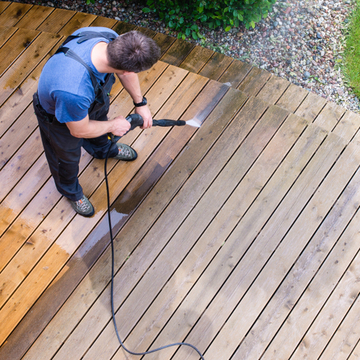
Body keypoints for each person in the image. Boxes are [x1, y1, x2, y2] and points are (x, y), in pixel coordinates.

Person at [33, 27, 161, 217]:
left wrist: (140, 103)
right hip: (59, 118)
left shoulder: (110, 38)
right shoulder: (73, 90)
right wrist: (113, 126)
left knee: (101, 127)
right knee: (66, 159)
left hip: (92, 101)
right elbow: (79, 130)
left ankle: (104, 150)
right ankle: (71, 191)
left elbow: (125, 73)